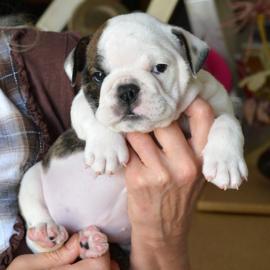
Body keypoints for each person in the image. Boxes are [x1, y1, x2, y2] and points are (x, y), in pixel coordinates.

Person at [6, 97, 214, 270]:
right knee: (34, 180)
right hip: (61, 219)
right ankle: (41, 232)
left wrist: (158, 241)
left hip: (124, 235)